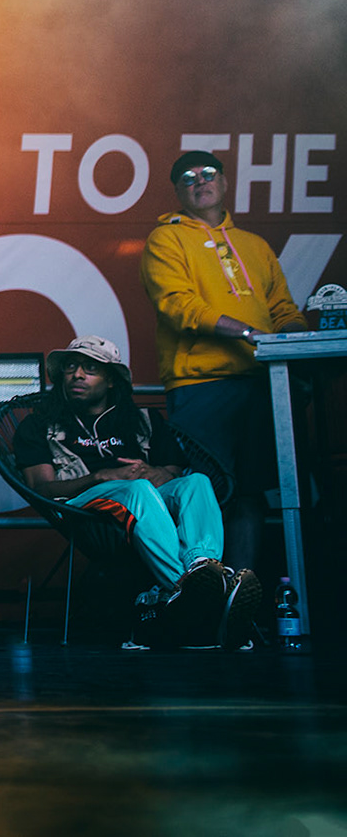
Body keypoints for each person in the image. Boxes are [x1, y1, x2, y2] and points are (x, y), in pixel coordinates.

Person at [14, 335, 259, 648]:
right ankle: (185, 588)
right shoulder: (40, 425)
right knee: (138, 489)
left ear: (111, 380)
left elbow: (173, 470)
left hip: (144, 497)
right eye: (71, 367)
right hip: (82, 506)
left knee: (196, 482)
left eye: (90, 368)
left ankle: (202, 569)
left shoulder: (142, 421)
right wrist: (99, 477)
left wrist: (159, 473)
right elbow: (42, 488)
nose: (77, 374)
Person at [140, 150, 305, 574]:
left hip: (263, 381)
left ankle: (239, 591)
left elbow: (282, 309)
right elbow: (178, 305)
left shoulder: (255, 245)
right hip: (201, 386)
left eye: (208, 173)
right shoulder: (166, 239)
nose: (200, 181)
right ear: (178, 192)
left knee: (251, 492)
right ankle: (202, 590)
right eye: (188, 177)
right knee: (206, 492)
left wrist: (297, 339)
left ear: (225, 182)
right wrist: (248, 333)